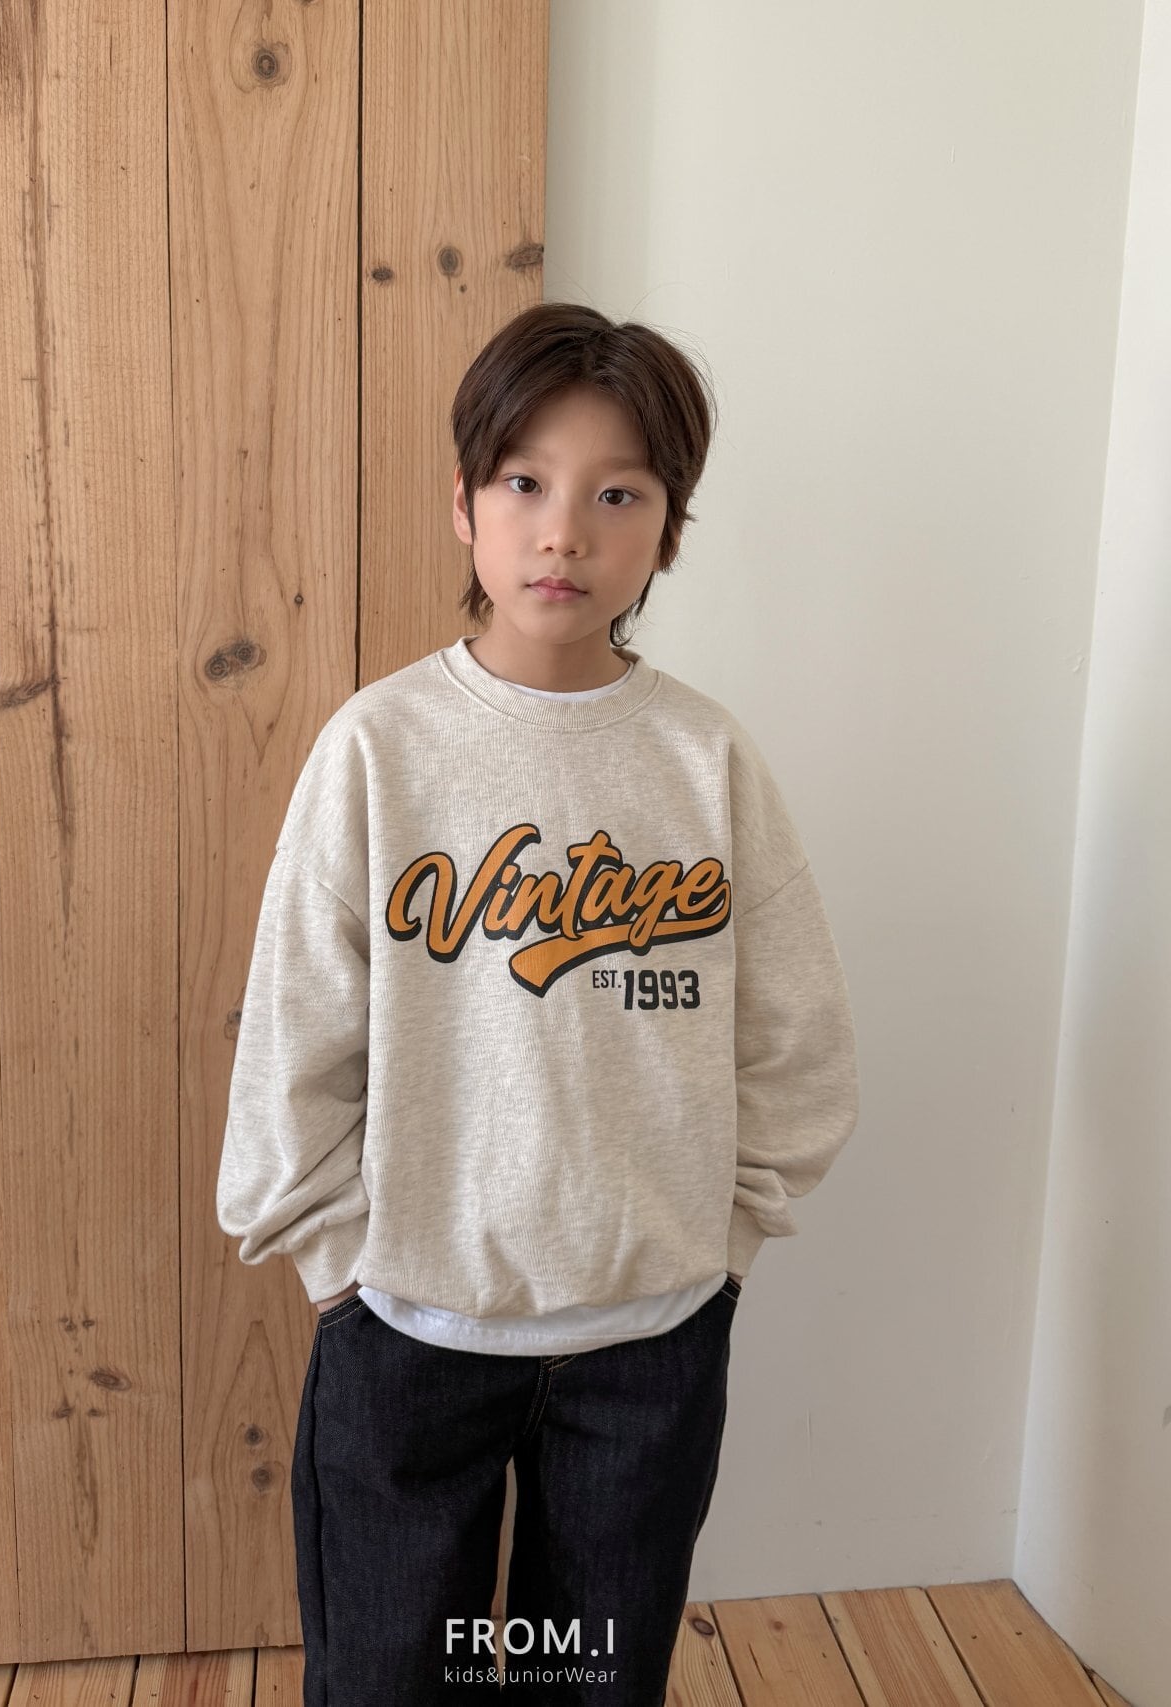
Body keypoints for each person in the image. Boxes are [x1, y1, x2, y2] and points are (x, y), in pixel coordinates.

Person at [216, 301, 860, 1706]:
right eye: (525, 482)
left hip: (650, 1349)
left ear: (668, 530)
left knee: (594, 1684)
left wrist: (724, 1243)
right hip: (409, 1339)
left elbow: (796, 1038)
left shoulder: (703, 760)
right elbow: (297, 1032)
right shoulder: (380, 748)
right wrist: (338, 1263)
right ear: (465, 504)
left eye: (617, 493)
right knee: (391, 1680)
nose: (563, 532)